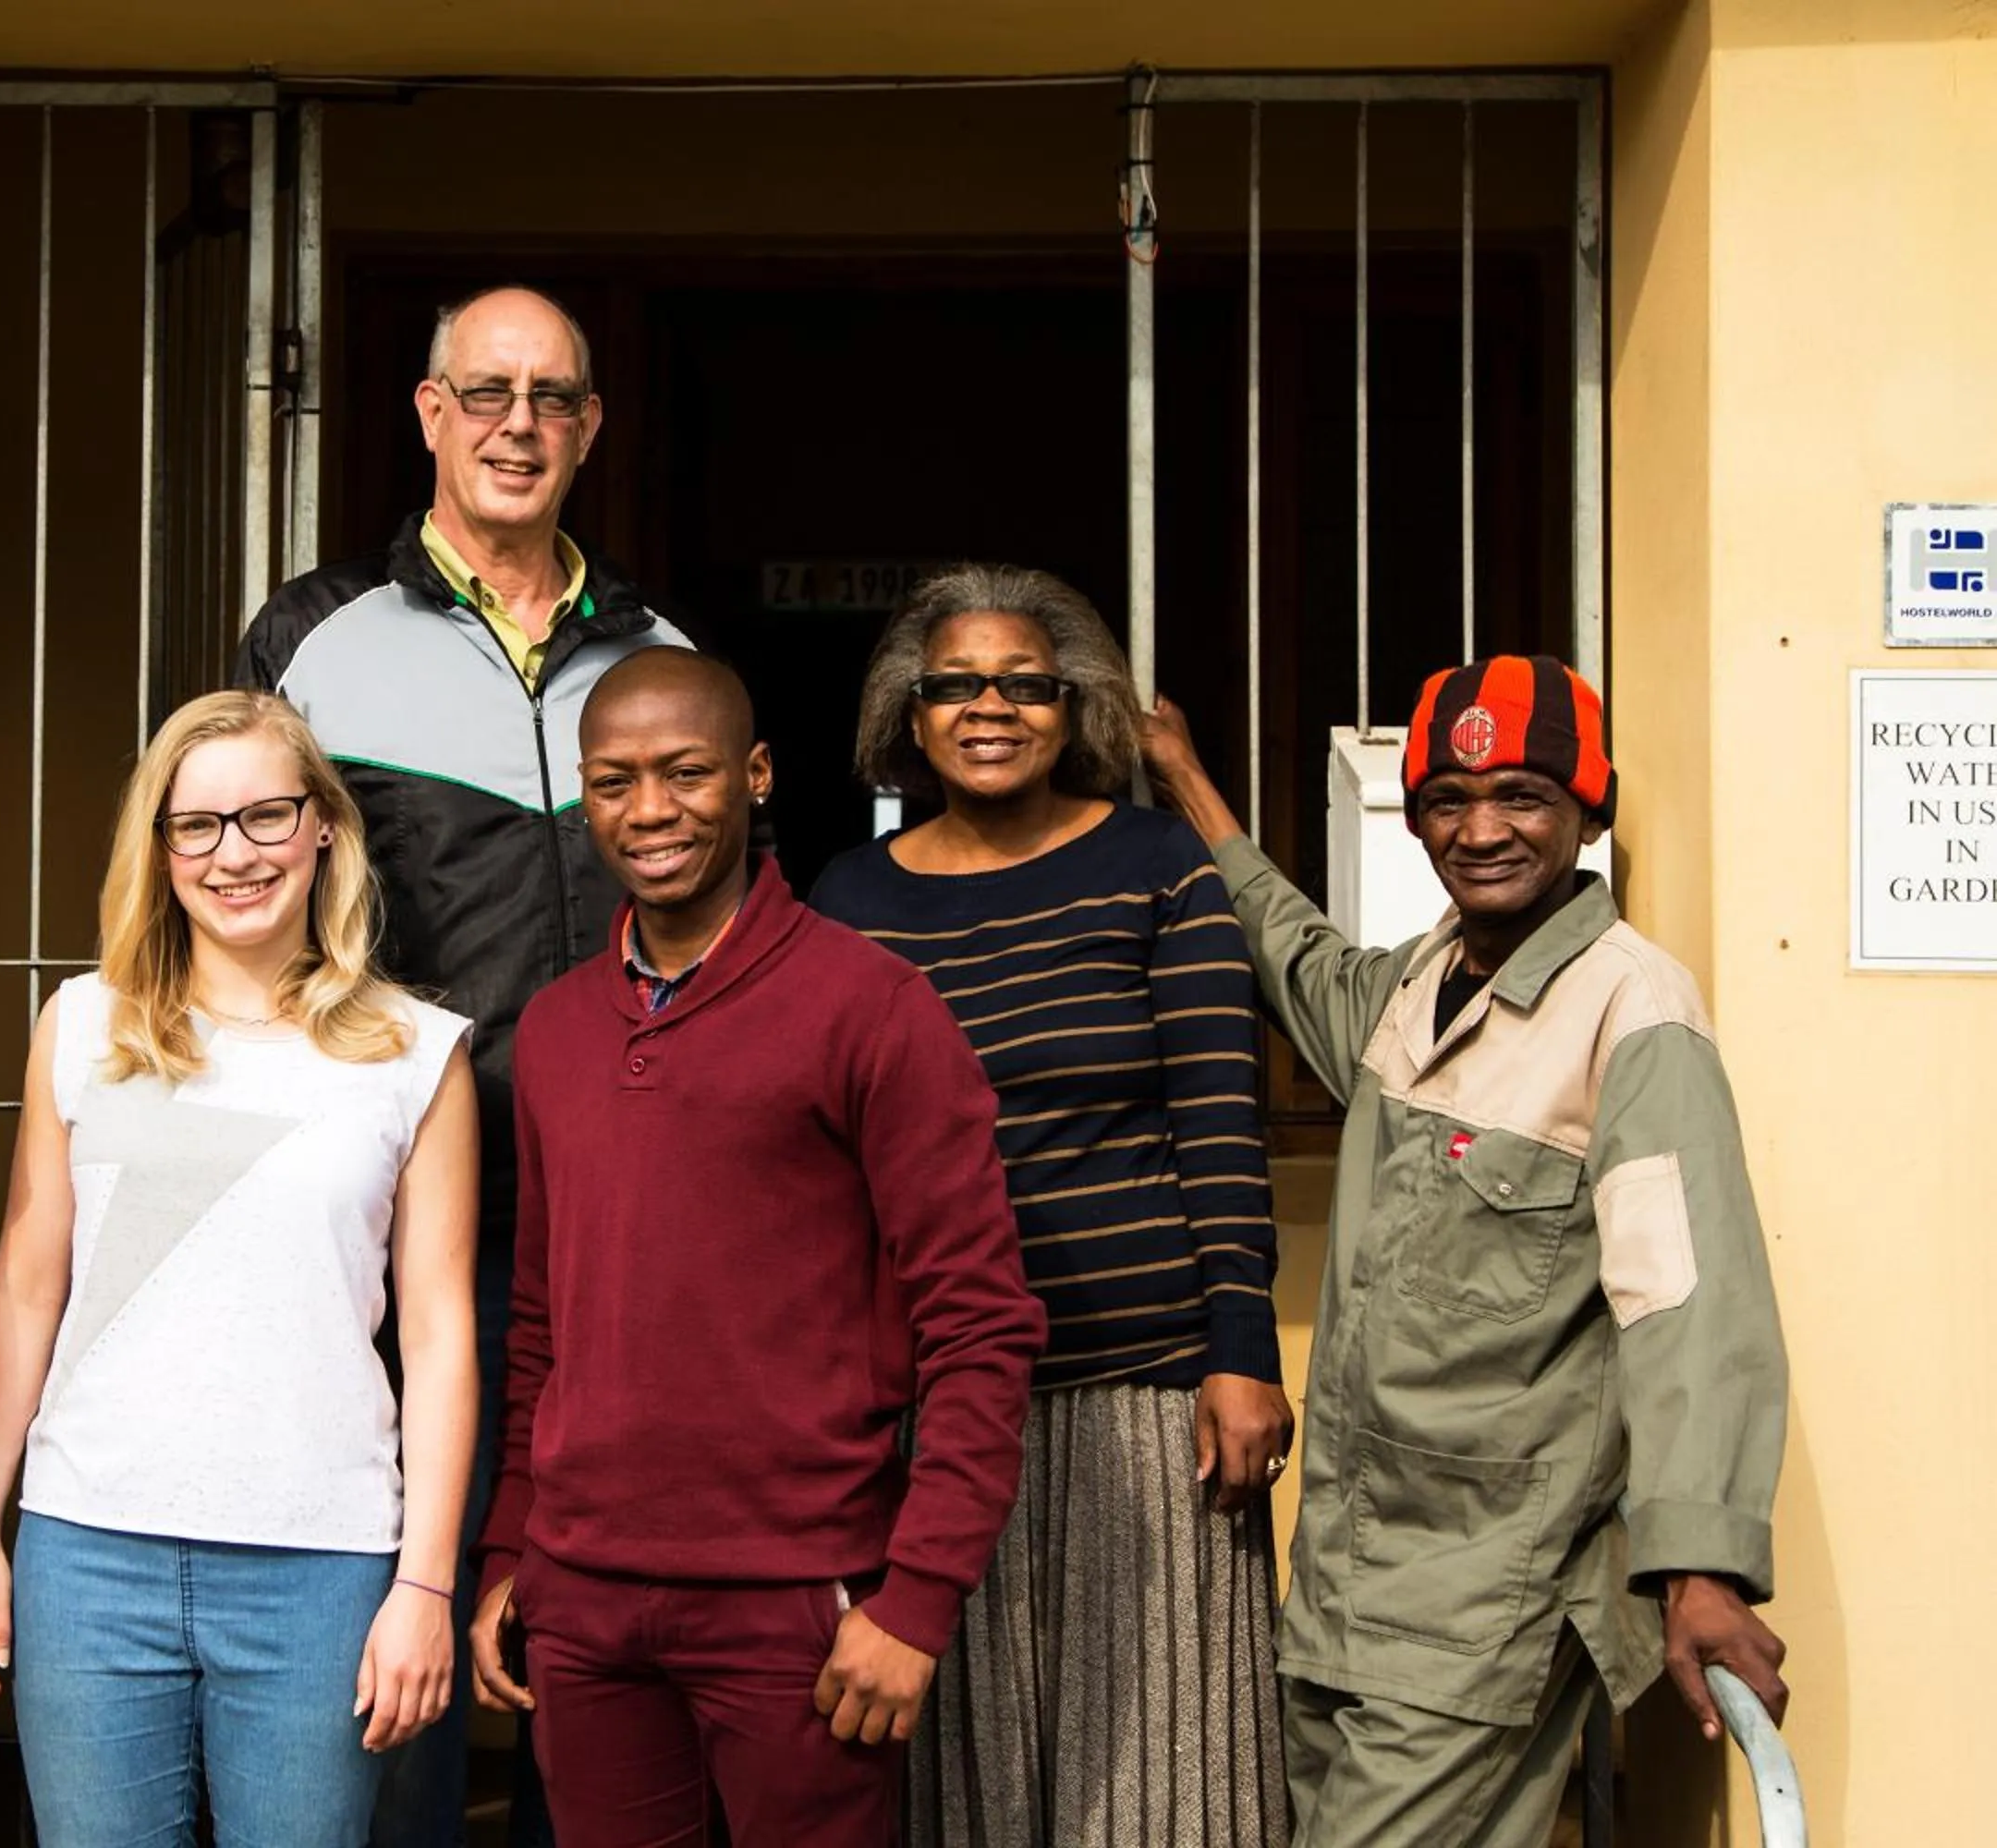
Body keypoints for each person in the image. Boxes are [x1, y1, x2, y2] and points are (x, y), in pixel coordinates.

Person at [1137, 656, 1791, 1848]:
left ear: (1588, 809)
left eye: (1522, 796)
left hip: (1492, 1598)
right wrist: (1183, 777)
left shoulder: (1632, 1011)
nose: (1481, 830)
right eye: (1449, 798)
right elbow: (1292, 951)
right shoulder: (1420, 981)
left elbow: (1686, 1304)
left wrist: (1704, 1565)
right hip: (1345, 1578)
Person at [236, 283, 689, 1847]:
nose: (519, 425)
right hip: (403, 1225)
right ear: (429, 413)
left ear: (591, 428)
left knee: (592, 1620)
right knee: (401, 1607)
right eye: (486, 392)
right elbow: (240, 898)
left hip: (621, 1221)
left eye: (553, 397)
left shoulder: (658, 652)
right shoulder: (315, 638)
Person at [468, 647, 1046, 1848]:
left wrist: (917, 1598)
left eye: (685, 772)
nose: (650, 810)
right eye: (614, 781)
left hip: (799, 1600)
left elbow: (980, 1324)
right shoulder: (559, 1030)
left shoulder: (871, 1006)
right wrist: (513, 1548)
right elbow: (540, 1326)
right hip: (583, 1602)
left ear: (758, 774)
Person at [0, 690, 477, 1848]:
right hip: (89, 1554)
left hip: (320, 1569)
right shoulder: (84, 1024)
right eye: (197, 825)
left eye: (265, 815)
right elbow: (25, 1283)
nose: (235, 854)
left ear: (323, 824)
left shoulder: (414, 1052)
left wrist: (426, 1581)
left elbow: (438, 1333)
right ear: (162, 846)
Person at [810, 565, 1290, 1848]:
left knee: (1170, 1786)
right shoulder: (848, 903)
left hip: (1151, 1402)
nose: (991, 708)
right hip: (944, 1411)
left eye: (1026, 685)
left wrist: (1243, 1351)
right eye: (957, 685)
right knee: (971, 1791)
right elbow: (825, 1168)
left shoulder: (1156, 864)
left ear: (1074, 709)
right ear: (910, 714)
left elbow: (1218, 1116)